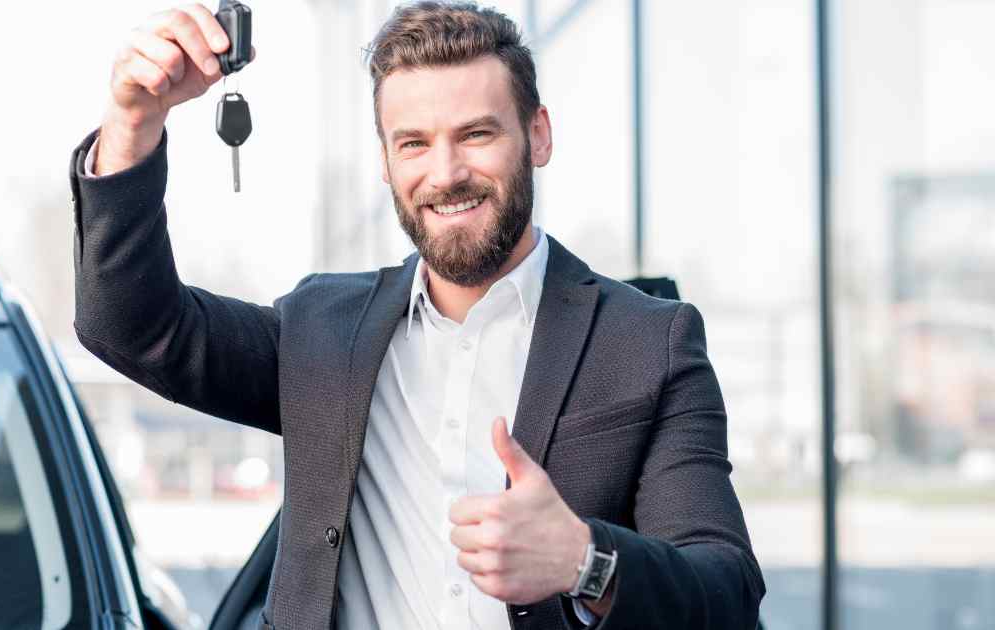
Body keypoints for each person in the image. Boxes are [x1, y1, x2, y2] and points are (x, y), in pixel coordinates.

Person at [67, 2, 765, 629]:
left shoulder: (650, 342)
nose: (446, 171)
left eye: (477, 135)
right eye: (414, 143)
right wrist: (133, 122)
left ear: (539, 136)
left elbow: (727, 591)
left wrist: (586, 560)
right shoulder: (319, 333)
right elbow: (130, 325)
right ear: (386, 162)